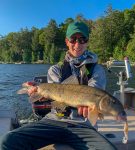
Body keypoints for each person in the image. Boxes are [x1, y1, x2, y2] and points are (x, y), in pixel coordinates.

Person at [0, 21, 116, 150]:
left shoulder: (96, 70)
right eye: (73, 39)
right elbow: (54, 95)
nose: (77, 44)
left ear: (87, 42)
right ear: (67, 42)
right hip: (53, 121)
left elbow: (95, 93)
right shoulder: (55, 69)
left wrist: (91, 107)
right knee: (8, 141)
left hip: (82, 125)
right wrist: (38, 92)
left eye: (82, 39)